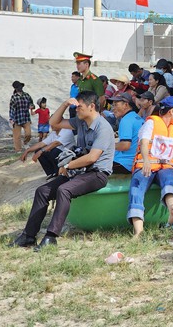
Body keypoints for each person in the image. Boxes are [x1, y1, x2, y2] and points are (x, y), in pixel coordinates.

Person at [10, 91, 115, 250]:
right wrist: (66, 103)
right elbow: (54, 123)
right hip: (79, 172)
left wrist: (67, 166)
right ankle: (28, 236)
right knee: (42, 191)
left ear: (92, 106)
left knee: (63, 190)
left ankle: (51, 237)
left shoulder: (103, 127)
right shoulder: (80, 122)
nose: (76, 110)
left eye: (79, 107)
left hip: (96, 174)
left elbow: (92, 158)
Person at [128, 96, 173, 237]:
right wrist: (146, 161)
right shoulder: (151, 123)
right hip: (146, 165)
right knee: (136, 189)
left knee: (169, 180)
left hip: (165, 167)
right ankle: (139, 231)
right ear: (171, 111)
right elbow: (144, 143)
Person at [110, 93, 144, 174]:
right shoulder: (138, 118)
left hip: (125, 163)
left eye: (116, 105)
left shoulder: (126, 120)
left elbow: (125, 145)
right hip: (136, 161)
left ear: (125, 105)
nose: (113, 109)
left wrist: (107, 146)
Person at [9, 80, 34, 152]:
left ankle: (25, 142)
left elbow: (31, 103)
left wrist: (31, 106)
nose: (20, 88)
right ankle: (18, 150)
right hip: (17, 118)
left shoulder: (27, 95)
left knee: (28, 134)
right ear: (16, 88)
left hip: (26, 118)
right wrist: (11, 118)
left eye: (20, 86)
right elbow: (12, 108)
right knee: (17, 136)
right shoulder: (14, 97)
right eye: (18, 87)